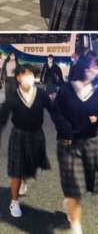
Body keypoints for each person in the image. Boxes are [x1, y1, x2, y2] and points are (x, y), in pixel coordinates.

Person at [0, 65, 60, 218]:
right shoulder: (13, 97)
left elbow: (54, 112)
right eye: (25, 74)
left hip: (37, 135)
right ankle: (14, 202)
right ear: (18, 78)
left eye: (31, 74)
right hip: (19, 136)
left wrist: (65, 129)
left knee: (30, 164)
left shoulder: (41, 94)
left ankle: (23, 179)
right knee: (17, 170)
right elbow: (2, 118)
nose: (28, 77)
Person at [55, 53, 98, 234]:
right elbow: (56, 113)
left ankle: (70, 203)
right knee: (75, 187)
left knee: (88, 185)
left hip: (90, 143)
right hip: (69, 143)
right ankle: (76, 226)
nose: (96, 70)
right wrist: (66, 130)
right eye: (93, 66)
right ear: (84, 67)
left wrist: (97, 120)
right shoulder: (66, 90)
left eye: (97, 67)